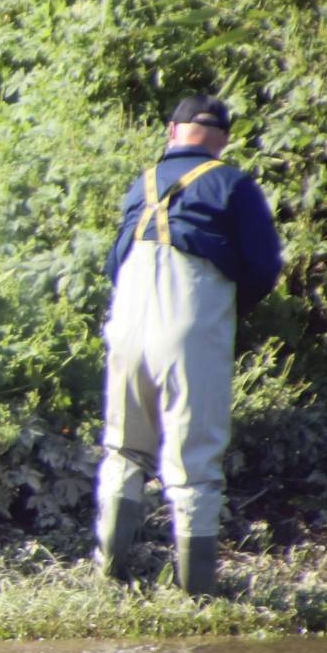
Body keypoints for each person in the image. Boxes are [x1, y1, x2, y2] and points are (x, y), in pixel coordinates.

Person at [94, 97, 282, 595]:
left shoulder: (144, 181)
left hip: (127, 323)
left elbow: (115, 263)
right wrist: (225, 309)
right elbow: (263, 267)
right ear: (221, 139)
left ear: (172, 131)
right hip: (191, 322)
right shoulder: (234, 183)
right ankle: (196, 594)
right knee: (194, 462)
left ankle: (109, 577)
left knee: (124, 449)